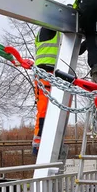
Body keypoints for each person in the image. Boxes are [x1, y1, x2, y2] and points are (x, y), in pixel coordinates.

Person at [32, 27, 60, 156]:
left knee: (45, 110)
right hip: (47, 75)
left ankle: (41, 142)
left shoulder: (43, 32)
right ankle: (40, 143)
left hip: (46, 74)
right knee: (44, 110)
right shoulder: (51, 28)